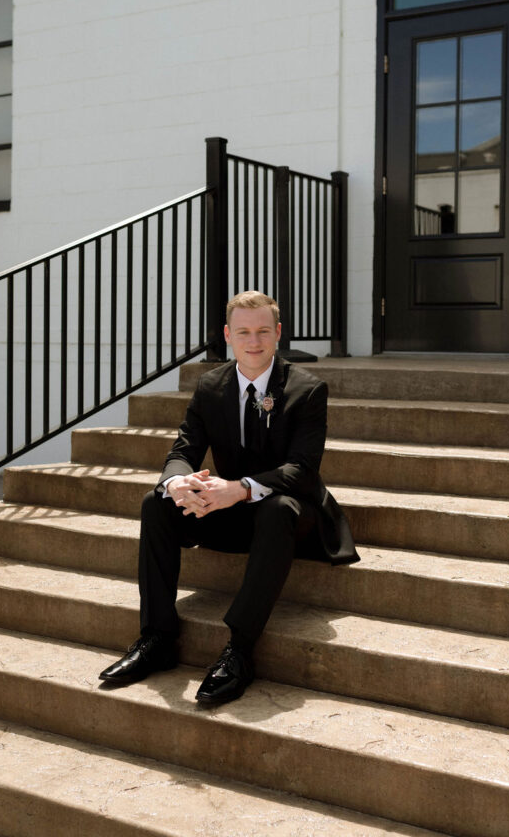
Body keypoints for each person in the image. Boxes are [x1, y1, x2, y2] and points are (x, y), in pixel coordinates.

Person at [99, 290, 359, 706]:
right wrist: (178, 483)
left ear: (277, 333)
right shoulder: (210, 386)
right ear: (227, 336)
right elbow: (182, 452)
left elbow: (302, 470)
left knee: (277, 507)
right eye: (243, 332)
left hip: (293, 516)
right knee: (156, 502)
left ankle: (239, 649)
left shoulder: (307, 389)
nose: (252, 342)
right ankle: (157, 637)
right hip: (232, 510)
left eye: (261, 331)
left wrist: (238, 489)